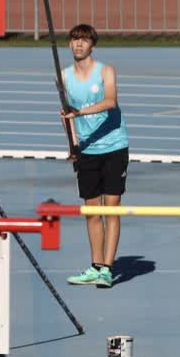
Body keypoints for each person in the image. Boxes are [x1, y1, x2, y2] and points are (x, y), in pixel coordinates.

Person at [60, 24, 130, 289]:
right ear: (70, 44)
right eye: (75, 40)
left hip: (113, 147)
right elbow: (66, 115)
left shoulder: (106, 71)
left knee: (111, 209)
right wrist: (73, 145)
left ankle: (108, 270)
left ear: (93, 45)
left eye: (84, 40)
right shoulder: (63, 76)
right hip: (87, 150)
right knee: (91, 212)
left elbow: (111, 101)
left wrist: (80, 113)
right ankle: (96, 266)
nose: (79, 44)